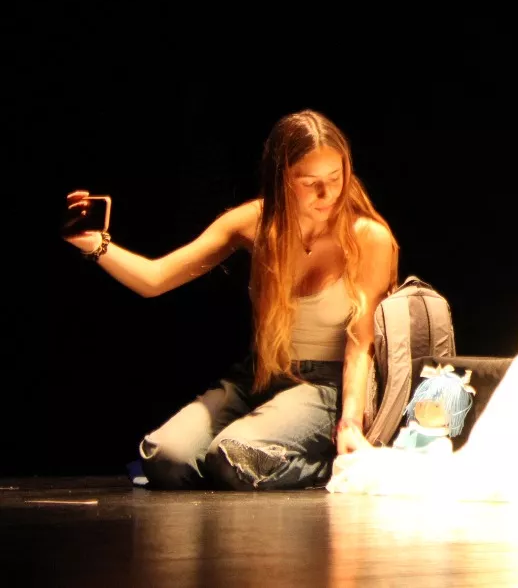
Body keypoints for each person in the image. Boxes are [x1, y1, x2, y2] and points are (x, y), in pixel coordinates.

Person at [64, 110, 397, 490]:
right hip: (261, 374)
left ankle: (320, 464)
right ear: (282, 178)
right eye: (310, 182)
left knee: (232, 458)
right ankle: (249, 458)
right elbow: (155, 279)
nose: (327, 194)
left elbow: (360, 345)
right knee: (165, 458)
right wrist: (95, 246)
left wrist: (350, 422)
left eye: (335, 178)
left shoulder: (367, 237)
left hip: (325, 385)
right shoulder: (254, 222)